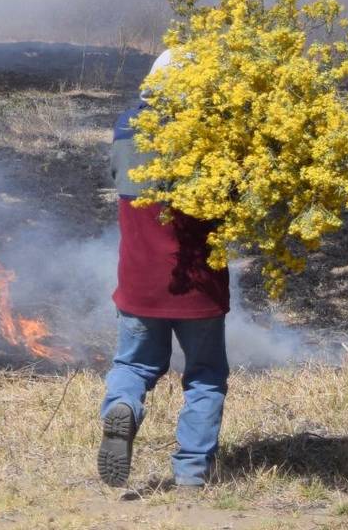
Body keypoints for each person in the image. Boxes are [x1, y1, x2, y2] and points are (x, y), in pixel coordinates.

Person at [97, 52, 230, 489]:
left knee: (133, 365)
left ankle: (124, 407)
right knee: (206, 375)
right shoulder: (215, 134)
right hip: (200, 287)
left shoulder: (126, 126)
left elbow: (117, 176)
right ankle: (191, 472)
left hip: (139, 281)